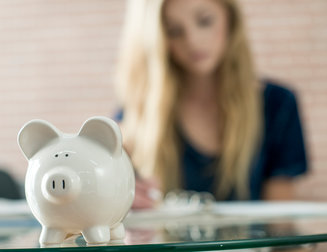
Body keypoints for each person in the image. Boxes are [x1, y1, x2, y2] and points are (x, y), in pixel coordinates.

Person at [115, 0, 308, 208]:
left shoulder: (278, 105)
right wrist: (121, 204)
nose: (193, 41)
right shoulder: (136, 115)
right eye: (173, 31)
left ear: (230, 18)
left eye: (205, 21)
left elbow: (281, 222)